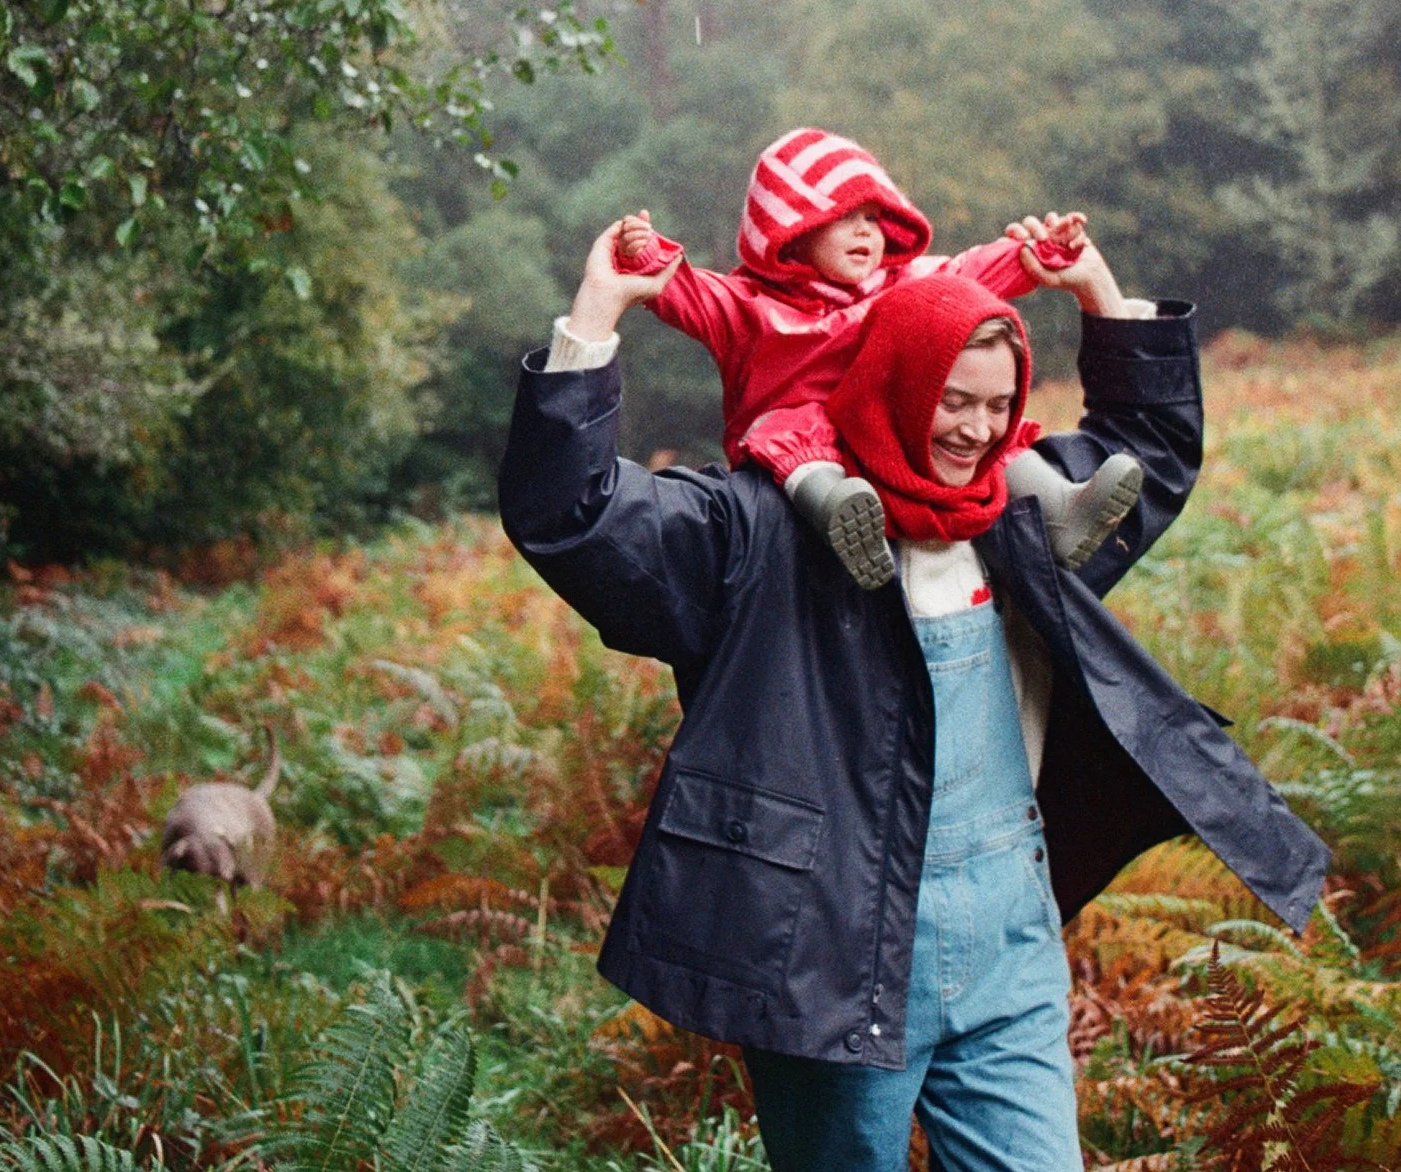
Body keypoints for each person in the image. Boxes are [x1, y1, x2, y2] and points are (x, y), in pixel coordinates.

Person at [499, 218, 1331, 1172]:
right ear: (890, 378)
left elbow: (1149, 452)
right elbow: (579, 519)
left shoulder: (1024, 518)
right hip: (831, 941)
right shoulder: (758, 533)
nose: (977, 432)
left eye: (998, 405)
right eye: (952, 401)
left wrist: (1097, 289)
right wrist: (598, 312)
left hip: (1010, 935)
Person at [611, 126, 1147, 589]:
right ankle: (840, 519)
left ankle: (1061, 508)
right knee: (794, 434)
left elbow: (973, 274)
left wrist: (1045, 250)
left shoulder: (906, 285)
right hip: (806, 452)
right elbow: (683, 290)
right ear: (792, 231)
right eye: (846, 217)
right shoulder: (750, 308)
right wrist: (645, 252)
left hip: (889, 440)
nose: (867, 230)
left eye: (873, 216)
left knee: (984, 427)